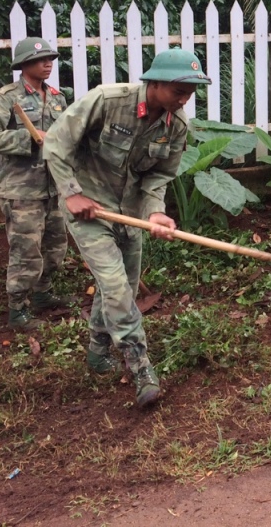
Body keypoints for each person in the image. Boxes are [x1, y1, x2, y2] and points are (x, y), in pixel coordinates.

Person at [43, 48, 209, 408]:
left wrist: (154, 213)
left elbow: (159, 177)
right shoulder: (107, 100)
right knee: (117, 288)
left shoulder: (176, 126)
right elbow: (56, 143)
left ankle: (97, 348)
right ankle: (140, 367)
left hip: (130, 213)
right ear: (155, 82)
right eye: (179, 91)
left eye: (191, 92)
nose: (185, 100)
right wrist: (71, 194)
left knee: (121, 287)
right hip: (89, 209)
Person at [0, 37, 70, 331]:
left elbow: (65, 137)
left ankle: (43, 294)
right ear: (24, 64)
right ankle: (17, 310)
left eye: (50, 59)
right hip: (21, 190)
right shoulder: (6, 98)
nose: (48, 64)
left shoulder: (57, 97)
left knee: (55, 247)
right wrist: (28, 138)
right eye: (40, 59)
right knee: (26, 250)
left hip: (52, 187)